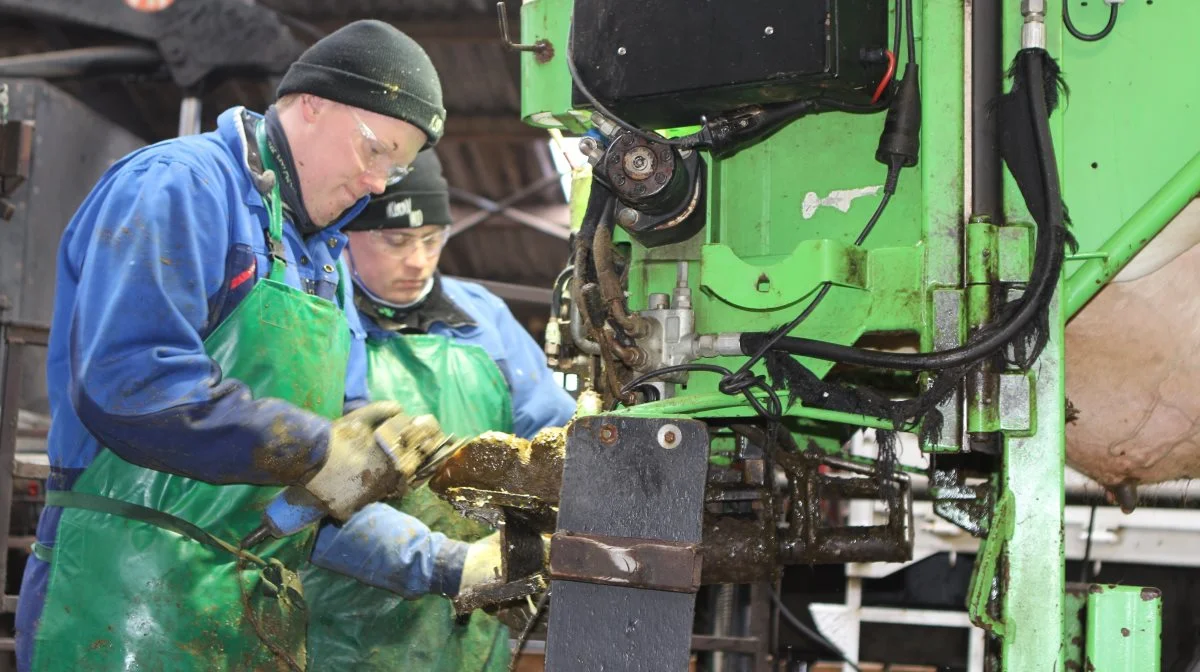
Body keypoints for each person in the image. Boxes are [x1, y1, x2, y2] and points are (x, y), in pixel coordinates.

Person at [15, 20, 500, 671]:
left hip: (251, 610)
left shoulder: (325, 262)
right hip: (120, 595)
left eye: (399, 165)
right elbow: (129, 382)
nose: (382, 183)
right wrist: (316, 447)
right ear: (312, 105)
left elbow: (326, 483)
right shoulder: (182, 187)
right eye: (374, 151)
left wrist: (443, 550)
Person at [301, 149, 577, 671]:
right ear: (346, 236)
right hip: (348, 617)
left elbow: (552, 429)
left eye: (432, 239)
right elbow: (316, 489)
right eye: (396, 240)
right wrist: (445, 564)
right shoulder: (320, 317)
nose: (418, 260)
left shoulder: (482, 318)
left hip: (472, 616)